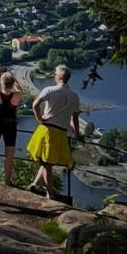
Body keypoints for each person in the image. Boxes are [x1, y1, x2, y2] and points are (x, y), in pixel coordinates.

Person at [26, 64, 81, 197]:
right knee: (47, 162)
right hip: (61, 133)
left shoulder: (49, 90)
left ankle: (49, 194)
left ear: (59, 77)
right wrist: (77, 134)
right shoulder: (74, 96)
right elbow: (75, 118)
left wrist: (39, 118)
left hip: (47, 131)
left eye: (55, 73)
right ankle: (35, 185)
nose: (54, 75)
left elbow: (35, 105)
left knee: (47, 164)